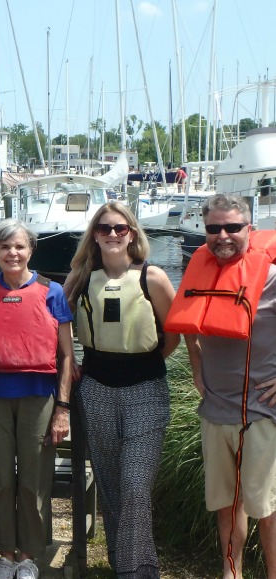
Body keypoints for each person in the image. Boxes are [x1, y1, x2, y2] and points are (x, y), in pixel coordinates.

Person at [63, 202, 178, 579]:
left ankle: (136, 572)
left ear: (132, 232)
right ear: (94, 235)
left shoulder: (153, 278)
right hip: (96, 390)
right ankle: (124, 563)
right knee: (112, 486)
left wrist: (141, 362)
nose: (112, 234)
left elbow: (173, 332)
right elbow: (54, 326)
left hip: (145, 389)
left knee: (134, 484)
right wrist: (68, 361)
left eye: (120, 228)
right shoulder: (79, 280)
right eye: (104, 228)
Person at [165, 194, 276, 579]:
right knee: (226, 505)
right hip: (215, 410)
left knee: (267, 508)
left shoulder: (273, 277)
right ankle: (232, 573)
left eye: (233, 227)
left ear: (251, 228)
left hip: (262, 413)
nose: (223, 236)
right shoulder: (200, 271)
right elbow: (191, 329)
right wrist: (197, 369)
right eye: (214, 228)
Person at [0, 219, 73, 579]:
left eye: (19, 246)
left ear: (30, 250)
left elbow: (66, 356)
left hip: (38, 397)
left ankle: (29, 557)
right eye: (4, 247)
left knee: (34, 480)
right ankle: (3, 555)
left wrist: (62, 408)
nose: (12, 253)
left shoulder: (53, 291)